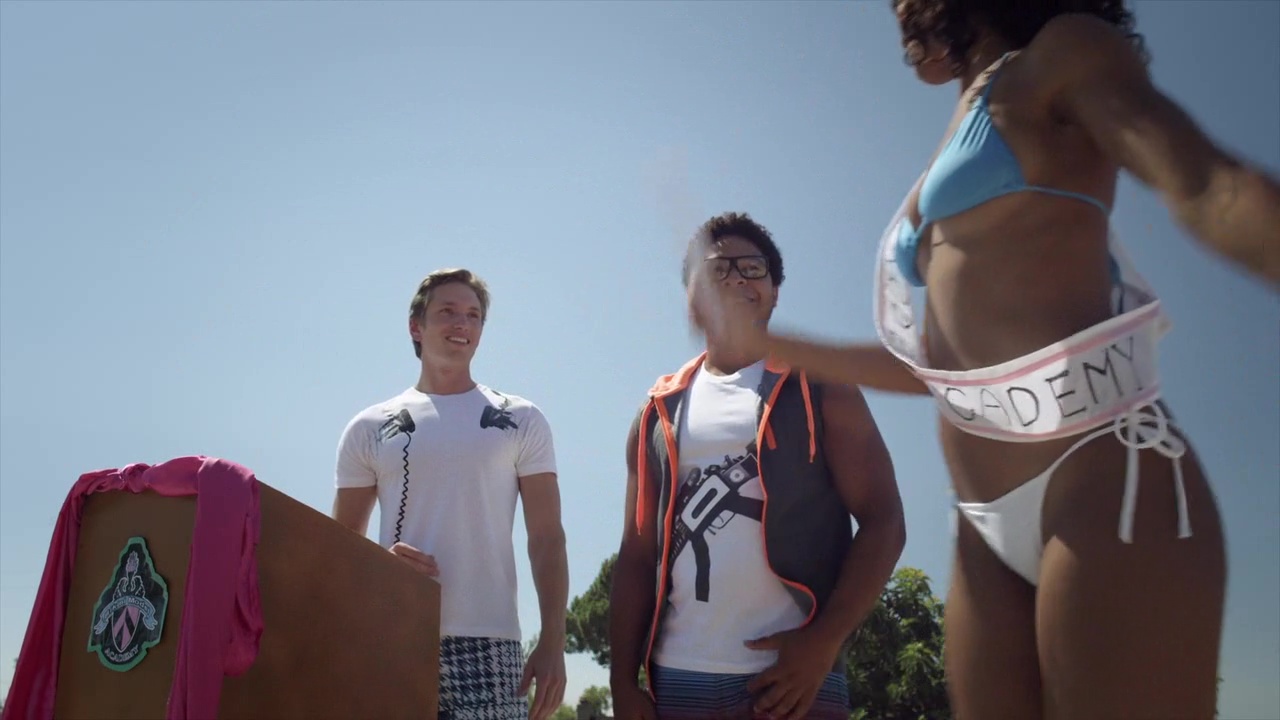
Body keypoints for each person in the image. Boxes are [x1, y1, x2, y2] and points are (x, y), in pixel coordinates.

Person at [701, 2, 1280, 718]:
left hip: (1103, 480)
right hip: (982, 525)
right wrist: (771, 346)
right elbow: (941, 369)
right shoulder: (958, 124)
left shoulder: (1062, 56)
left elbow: (1210, 187)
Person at [609, 212, 907, 720]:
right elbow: (637, 555)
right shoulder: (656, 412)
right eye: (717, 269)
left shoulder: (821, 385)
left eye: (752, 268)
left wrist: (824, 643)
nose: (736, 278)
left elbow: (885, 520)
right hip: (677, 681)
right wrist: (621, 679)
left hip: (793, 678)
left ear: (774, 292)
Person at [331, 268, 568, 720]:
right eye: (448, 312)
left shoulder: (522, 419)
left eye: (473, 315)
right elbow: (339, 547)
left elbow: (546, 537)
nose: (462, 323)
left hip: (492, 647)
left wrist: (553, 640)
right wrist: (381, 566)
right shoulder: (368, 427)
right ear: (416, 327)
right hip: (391, 636)